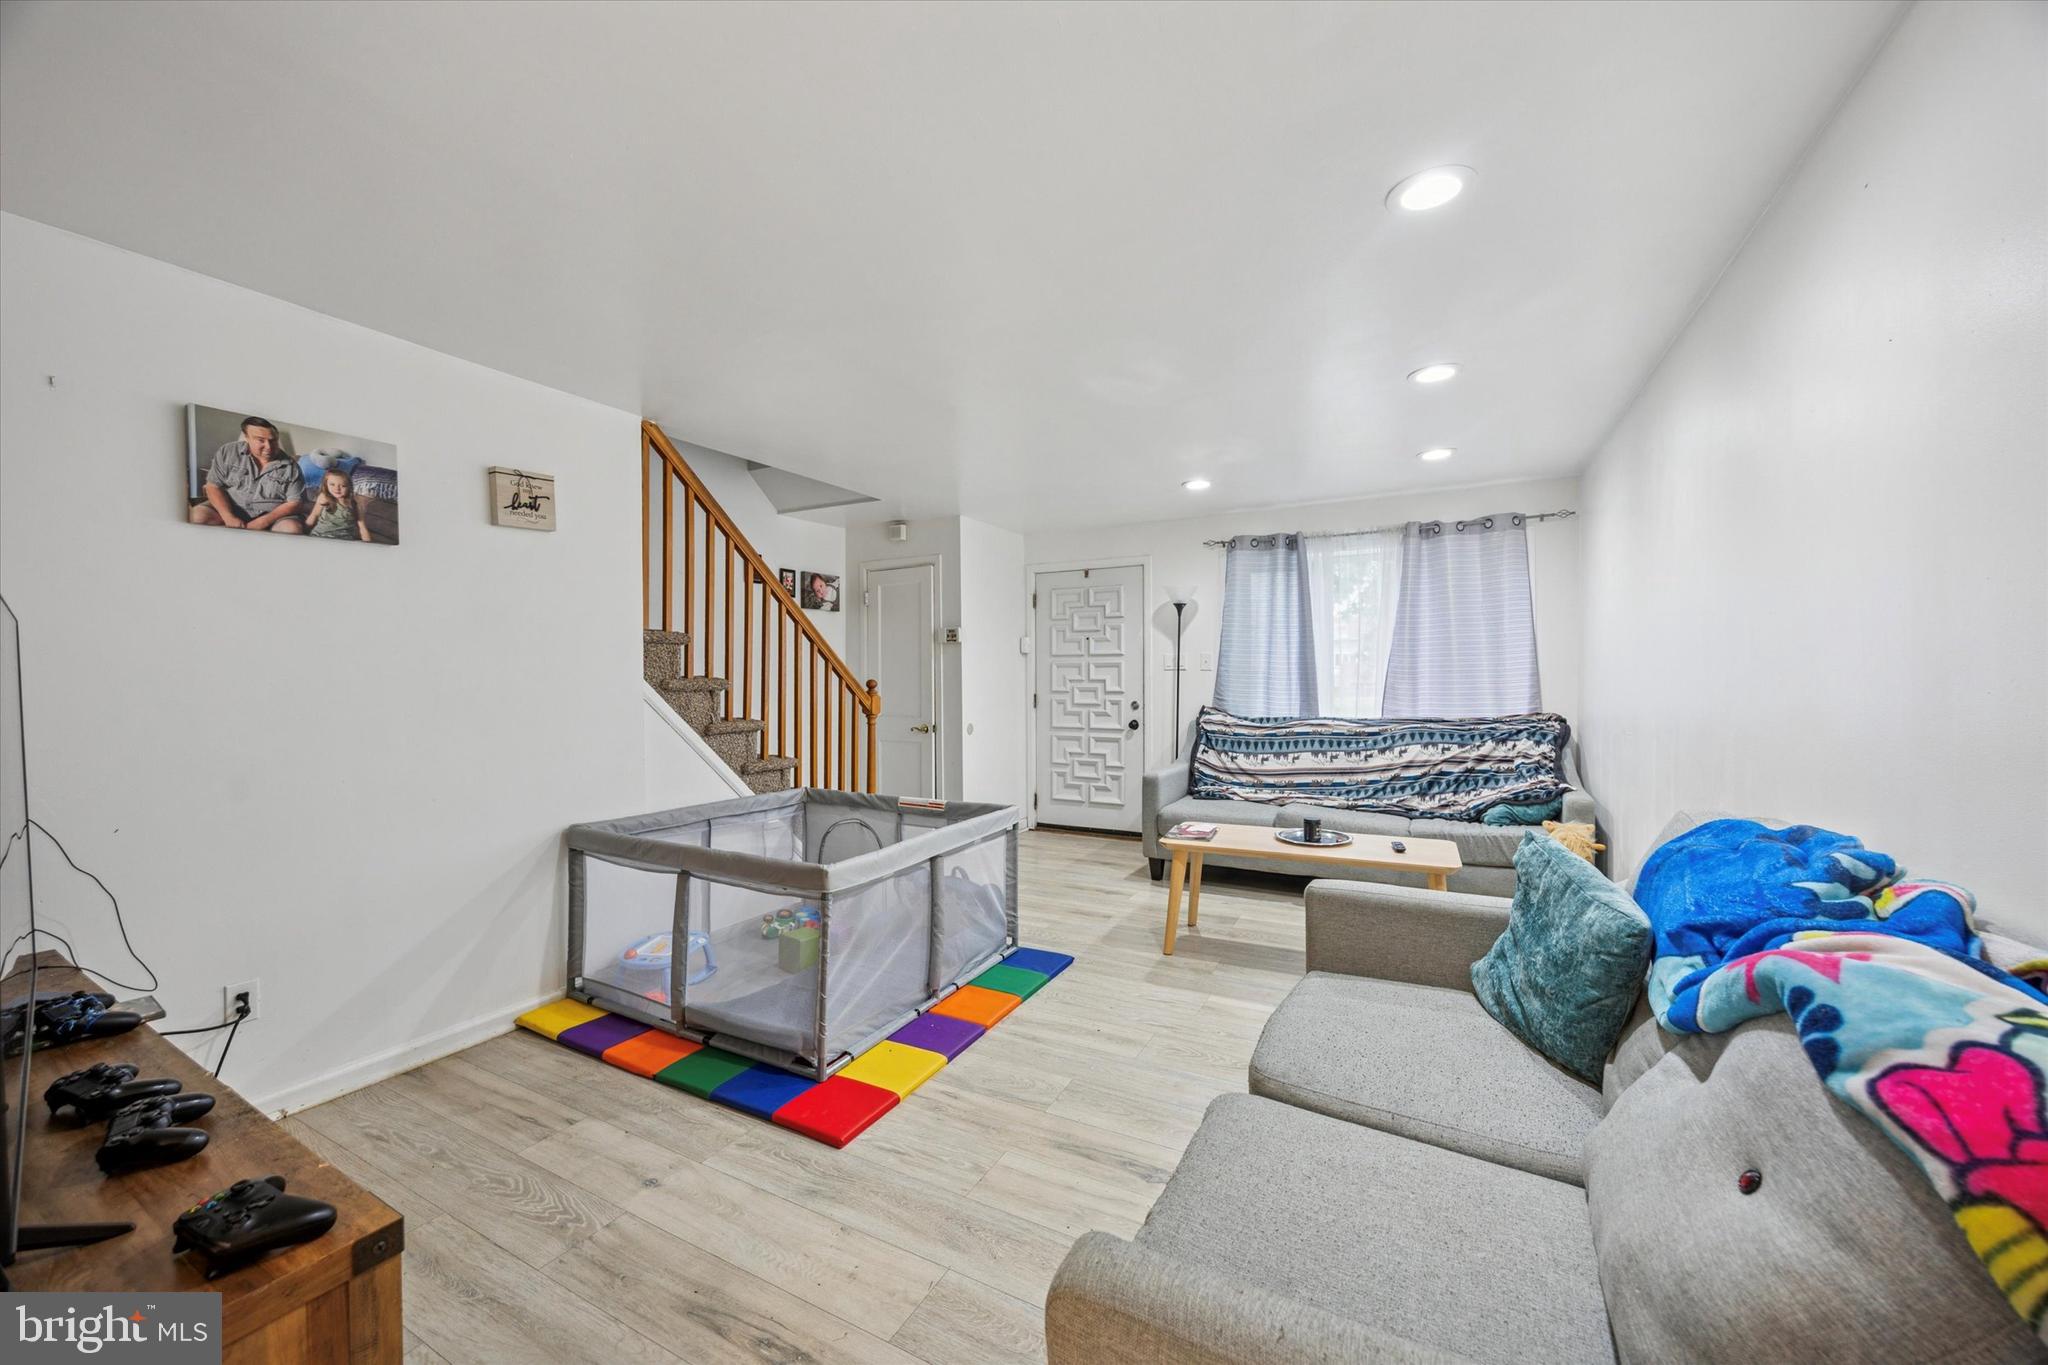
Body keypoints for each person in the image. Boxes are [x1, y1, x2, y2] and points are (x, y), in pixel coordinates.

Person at [191, 416, 304, 532]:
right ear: (247, 438)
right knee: (197, 515)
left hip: (271, 517)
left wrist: (264, 521)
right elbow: (213, 486)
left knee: (292, 529)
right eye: (261, 440)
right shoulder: (228, 452)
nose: (268, 447)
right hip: (230, 508)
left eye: (273, 440)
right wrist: (228, 516)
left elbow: (295, 502)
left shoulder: (291, 466)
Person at [304, 467, 372, 542]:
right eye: (332, 484)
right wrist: (303, 532)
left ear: (349, 487)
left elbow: (362, 526)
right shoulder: (324, 497)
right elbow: (314, 515)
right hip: (320, 535)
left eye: (343, 486)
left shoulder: (354, 503)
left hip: (343, 540)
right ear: (326, 485)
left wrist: (369, 545)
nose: (337, 488)